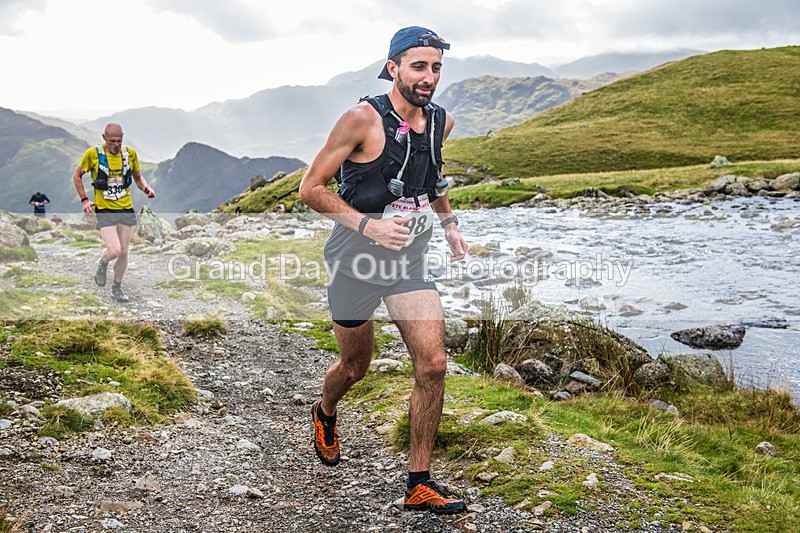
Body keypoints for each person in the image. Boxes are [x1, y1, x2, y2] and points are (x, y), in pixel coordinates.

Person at [298, 26, 468, 515]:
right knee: (355, 367)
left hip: (409, 260)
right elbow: (311, 188)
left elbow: (431, 174)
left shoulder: (441, 121)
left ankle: (419, 482)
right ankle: (325, 411)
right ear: (393, 67)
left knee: (433, 364)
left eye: (436, 67)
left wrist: (449, 223)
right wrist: (369, 227)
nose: (429, 77)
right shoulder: (361, 119)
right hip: (356, 258)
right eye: (419, 66)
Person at [72, 123, 155, 303]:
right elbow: (77, 175)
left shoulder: (129, 154)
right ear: (104, 138)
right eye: (112, 141)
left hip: (125, 207)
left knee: (124, 252)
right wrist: (84, 200)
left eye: (119, 141)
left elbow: (137, 177)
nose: (116, 145)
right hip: (105, 210)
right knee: (114, 250)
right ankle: (102, 262)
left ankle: (116, 288)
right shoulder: (93, 155)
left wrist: (146, 188)